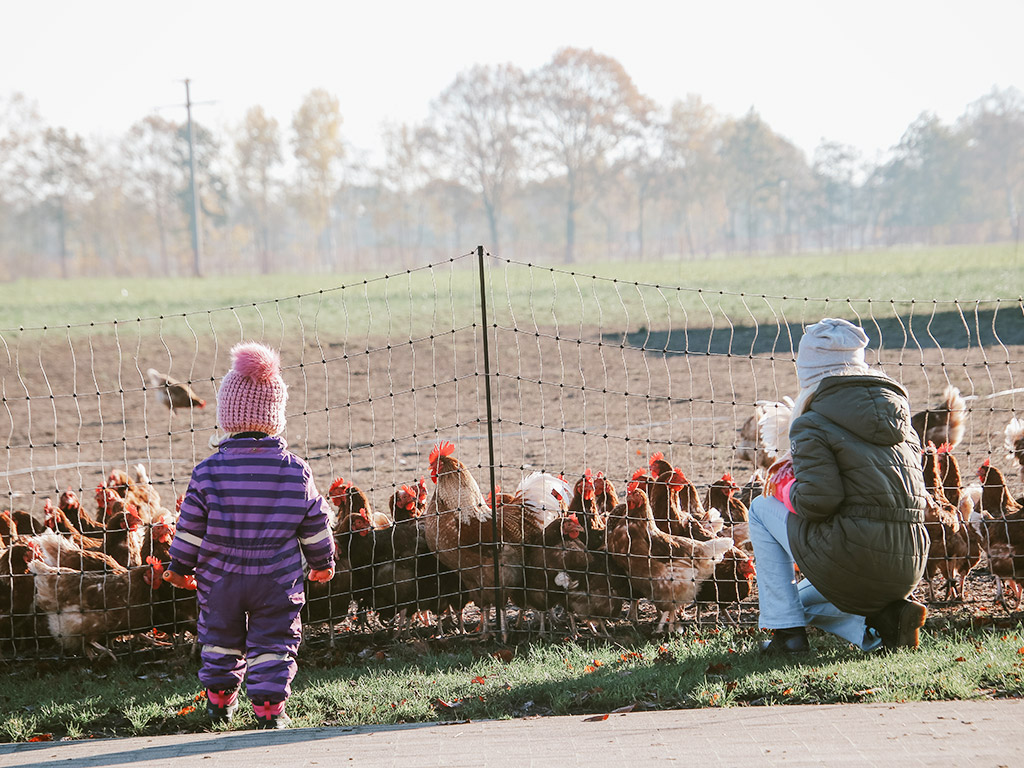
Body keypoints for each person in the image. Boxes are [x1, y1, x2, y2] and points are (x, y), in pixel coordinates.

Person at [163, 342, 336, 728]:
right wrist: (323, 563)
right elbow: (314, 523)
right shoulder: (295, 471)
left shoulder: (207, 473)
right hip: (276, 578)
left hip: (219, 578)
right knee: (274, 642)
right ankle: (269, 710)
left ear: (227, 416)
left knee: (220, 638)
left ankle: (220, 701)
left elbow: (190, 527)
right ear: (276, 417)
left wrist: (178, 567)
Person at [747, 317, 930, 655]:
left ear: (809, 370)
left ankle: (787, 634)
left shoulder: (811, 423)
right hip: (910, 559)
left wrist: (784, 484)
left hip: (856, 554)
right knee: (801, 598)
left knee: (759, 510)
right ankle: (882, 621)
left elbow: (819, 502)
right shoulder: (902, 421)